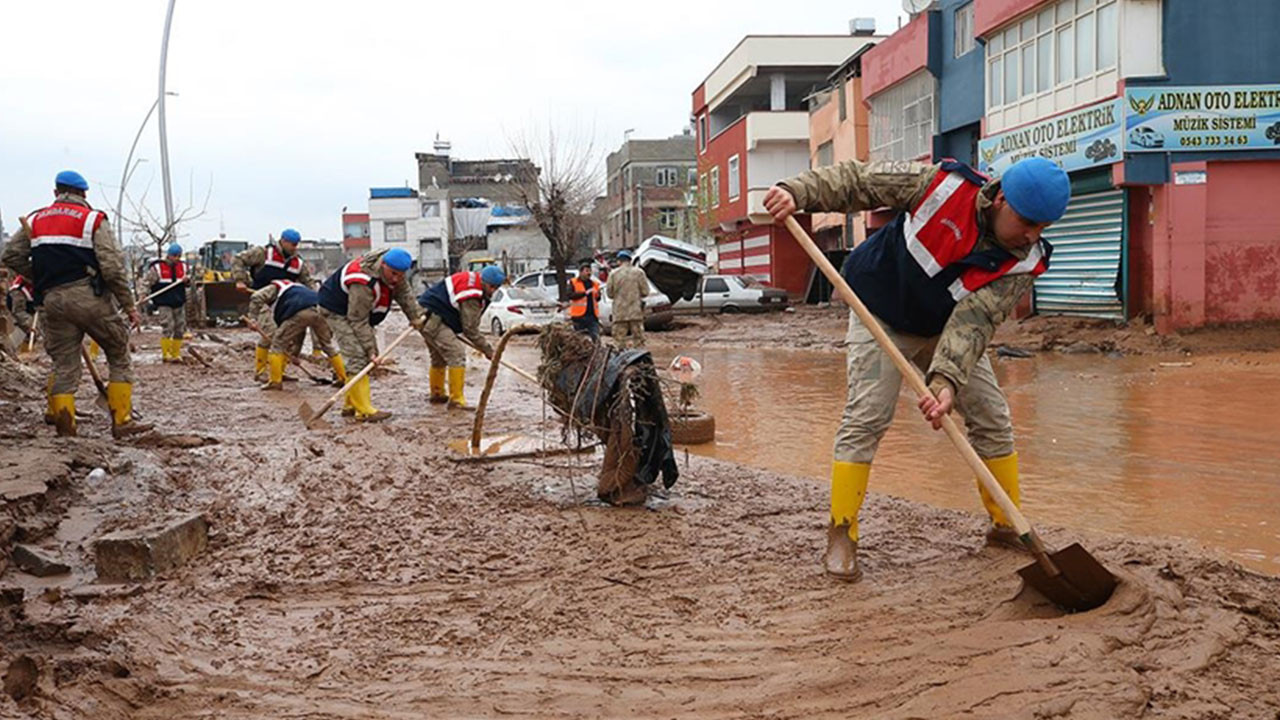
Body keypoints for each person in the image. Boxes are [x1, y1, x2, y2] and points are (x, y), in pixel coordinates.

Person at [763, 156, 1069, 581]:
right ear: (1000, 199)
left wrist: (946, 381)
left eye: (1043, 227)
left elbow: (975, 321)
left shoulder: (1025, 259)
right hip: (878, 310)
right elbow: (859, 181)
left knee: (992, 417)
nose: (1032, 235)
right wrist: (797, 192)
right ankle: (842, 532)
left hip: (943, 328)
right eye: (1027, 222)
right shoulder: (940, 185)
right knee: (867, 416)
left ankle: (1006, 525)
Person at [1, 170, 152, 438]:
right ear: (83, 193)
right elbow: (112, 267)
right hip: (88, 297)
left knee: (63, 364)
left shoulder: (35, 220)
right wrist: (128, 305)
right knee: (118, 352)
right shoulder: (92, 219)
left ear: (55, 192)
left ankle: (64, 424)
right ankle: (122, 421)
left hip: (52, 300)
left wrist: (42, 277)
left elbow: (11, 256)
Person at [317, 247, 424, 422]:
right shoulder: (362, 281)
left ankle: (350, 405)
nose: (396, 279)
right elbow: (358, 320)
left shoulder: (396, 274)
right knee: (357, 356)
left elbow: (404, 295)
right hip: (336, 310)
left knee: (362, 355)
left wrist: (415, 317)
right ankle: (364, 411)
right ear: (383, 265)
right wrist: (371, 350)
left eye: (401, 275)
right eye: (393, 274)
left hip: (357, 313)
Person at [232, 228, 312, 381]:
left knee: (288, 335)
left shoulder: (298, 263)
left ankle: (279, 371)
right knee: (269, 333)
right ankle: (260, 371)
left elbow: (308, 282)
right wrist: (240, 280)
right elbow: (238, 259)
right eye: (292, 244)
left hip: (284, 303)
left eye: (297, 245)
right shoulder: (263, 253)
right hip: (262, 299)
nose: (295, 248)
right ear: (283, 241)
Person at [416, 266, 502, 409]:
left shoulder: (473, 280)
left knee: (439, 356)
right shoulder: (472, 294)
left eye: (496, 287)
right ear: (484, 281)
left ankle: (437, 394)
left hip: (427, 313)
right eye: (491, 287)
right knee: (456, 354)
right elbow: (470, 330)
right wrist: (488, 350)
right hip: (433, 318)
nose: (493, 291)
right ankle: (456, 400)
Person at [247, 279, 347, 391]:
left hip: (301, 311)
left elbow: (256, 297)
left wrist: (253, 318)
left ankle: (275, 382)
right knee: (327, 345)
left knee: (277, 344)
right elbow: (300, 332)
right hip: (321, 310)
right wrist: (295, 355)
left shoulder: (277, 287)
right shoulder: (300, 290)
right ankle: (343, 378)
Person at [142, 243, 191, 363]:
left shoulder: (183, 267)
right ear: (169, 255)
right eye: (174, 256)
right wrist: (143, 293)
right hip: (164, 302)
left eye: (179, 256)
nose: (177, 258)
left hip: (178, 301)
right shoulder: (158, 267)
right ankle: (166, 354)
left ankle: (176, 353)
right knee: (168, 326)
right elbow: (147, 282)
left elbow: (189, 283)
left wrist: (187, 281)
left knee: (179, 328)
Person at [605, 250, 648, 349]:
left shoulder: (613, 274)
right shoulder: (639, 273)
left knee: (619, 341)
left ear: (619, 261)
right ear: (630, 260)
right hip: (635, 312)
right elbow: (645, 292)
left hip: (619, 313)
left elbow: (609, 294)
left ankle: (621, 357)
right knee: (639, 340)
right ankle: (639, 356)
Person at [567, 261, 601, 341]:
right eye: (586, 271)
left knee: (596, 337)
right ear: (581, 272)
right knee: (579, 339)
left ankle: (597, 348)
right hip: (578, 316)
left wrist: (598, 295)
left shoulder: (594, 284)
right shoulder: (573, 282)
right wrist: (584, 293)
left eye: (590, 271)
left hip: (592, 315)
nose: (589, 273)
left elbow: (597, 299)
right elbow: (570, 295)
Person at [5, 272, 35, 350]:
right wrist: (30, 324)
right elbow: (18, 312)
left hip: (32, 312)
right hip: (21, 320)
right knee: (18, 341)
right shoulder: (17, 290)